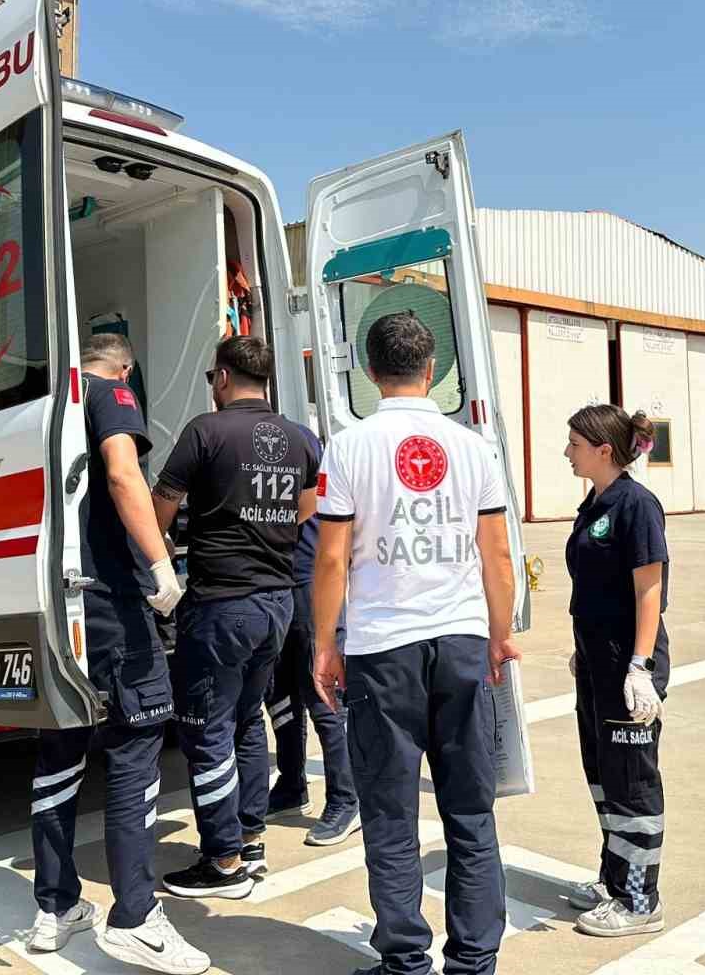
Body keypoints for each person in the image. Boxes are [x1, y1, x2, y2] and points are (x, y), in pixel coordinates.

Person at [311, 311, 521, 975]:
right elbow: (497, 557)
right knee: (470, 811)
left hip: (384, 650)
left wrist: (324, 642)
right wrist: (500, 634)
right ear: (434, 370)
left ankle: (405, 961)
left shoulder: (348, 446)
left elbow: (332, 560)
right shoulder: (473, 447)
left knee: (390, 813)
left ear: (370, 374)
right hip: (461, 641)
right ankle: (474, 962)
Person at [28, 334, 209, 975]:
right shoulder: (109, 392)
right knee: (137, 745)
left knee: (59, 749)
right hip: (110, 603)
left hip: (52, 604)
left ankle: (55, 906)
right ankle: (135, 915)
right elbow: (122, 470)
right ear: (125, 365)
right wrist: (161, 567)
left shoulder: (43, 407)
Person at [151, 336, 319, 899]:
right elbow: (309, 503)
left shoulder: (206, 431)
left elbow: (162, 505)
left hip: (223, 603)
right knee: (249, 720)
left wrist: (156, 561)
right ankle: (249, 838)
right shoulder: (298, 437)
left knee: (205, 728)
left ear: (222, 378)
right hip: (277, 600)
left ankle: (222, 860)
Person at [561, 405, 671, 939]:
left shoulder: (637, 505)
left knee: (632, 780)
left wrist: (640, 666)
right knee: (603, 773)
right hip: (597, 662)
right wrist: (584, 651)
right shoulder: (596, 502)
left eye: (575, 444)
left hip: (630, 664)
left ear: (604, 450)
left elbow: (648, 589)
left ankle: (640, 899)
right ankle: (616, 877)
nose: (567, 452)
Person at [265, 423, 362, 846]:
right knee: (281, 692)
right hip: (277, 579)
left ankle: (346, 797)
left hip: (309, 583)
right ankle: (291, 782)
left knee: (322, 696)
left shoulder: (311, 458)